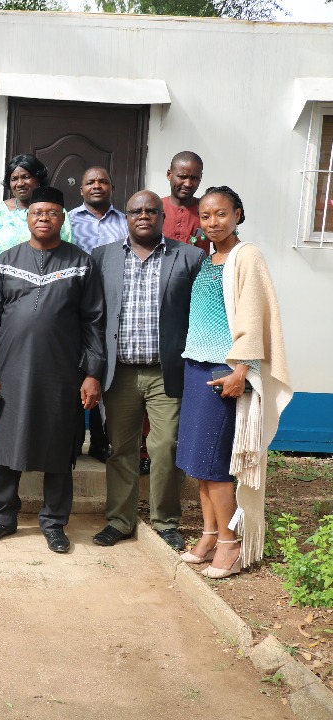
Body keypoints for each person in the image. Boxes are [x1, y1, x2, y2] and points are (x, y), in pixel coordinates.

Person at [0, 186, 106, 554]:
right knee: (6, 447)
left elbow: (94, 322)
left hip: (63, 375)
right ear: (26, 218)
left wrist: (92, 373)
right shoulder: (5, 261)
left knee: (60, 448)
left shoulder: (81, 263)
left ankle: (54, 523)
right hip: (11, 371)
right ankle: (2, 517)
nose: (43, 218)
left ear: (62, 219)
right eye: (37, 212)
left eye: (51, 213)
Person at [176, 187, 292, 578]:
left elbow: (253, 315)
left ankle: (230, 543)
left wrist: (242, 370)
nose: (213, 223)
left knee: (217, 464)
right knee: (199, 464)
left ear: (238, 214)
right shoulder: (209, 260)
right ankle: (209, 535)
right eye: (206, 216)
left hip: (222, 371)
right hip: (196, 367)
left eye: (221, 215)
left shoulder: (248, 256)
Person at [91, 190, 204, 551]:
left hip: (166, 372)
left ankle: (166, 521)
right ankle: (120, 521)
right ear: (126, 217)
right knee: (120, 448)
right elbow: (93, 318)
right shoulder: (102, 257)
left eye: (151, 210)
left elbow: (200, 315)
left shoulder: (188, 257)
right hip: (119, 372)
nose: (143, 216)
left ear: (162, 216)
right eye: (136, 211)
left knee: (166, 446)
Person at [69, 166, 129, 464]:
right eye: (90, 181)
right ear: (81, 190)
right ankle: (73, 437)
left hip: (113, 304)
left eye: (103, 181)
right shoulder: (68, 220)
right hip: (74, 304)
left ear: (111, 187)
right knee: (77, 367)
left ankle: (100, 439)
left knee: (103, 369)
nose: (97, 185)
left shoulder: (126, 221)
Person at [0, 154, 73, 256]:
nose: (20, 183)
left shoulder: (55, 211)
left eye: (26, 177)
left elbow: (67, 248)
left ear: (38, 179)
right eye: (14, 179)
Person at [161, 151, 210, 253]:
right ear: (169, 175)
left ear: (200, 177)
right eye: (183, 177)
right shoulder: (155, 209)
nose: (188, 184)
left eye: (194, 178)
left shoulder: (208, 210)